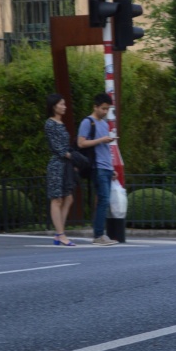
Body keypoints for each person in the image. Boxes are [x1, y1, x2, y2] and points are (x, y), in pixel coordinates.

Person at [78, 92, 119, 246]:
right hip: (97, 167)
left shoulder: (104, 123)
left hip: (106, 167)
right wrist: (102, 140)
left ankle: (101, 234)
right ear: (95, 106)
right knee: (103, 200)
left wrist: (112, 168)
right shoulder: (88, 122)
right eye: (102, 108)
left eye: (107, 109)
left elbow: (105, 150)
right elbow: (81, 143)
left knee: (103, 201)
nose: (105, 112)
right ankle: (99, 235)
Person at [44, 93, 79, 246]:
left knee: (69, 198)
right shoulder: (50, 123)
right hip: (57, 164)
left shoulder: (61, 123)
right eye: (62, 104)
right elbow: (57, 147)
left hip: (66, 163)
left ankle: (60, 232)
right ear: (54, 106)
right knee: (56, 199)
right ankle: (60, 234)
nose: (65, 107)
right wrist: (71, 156)